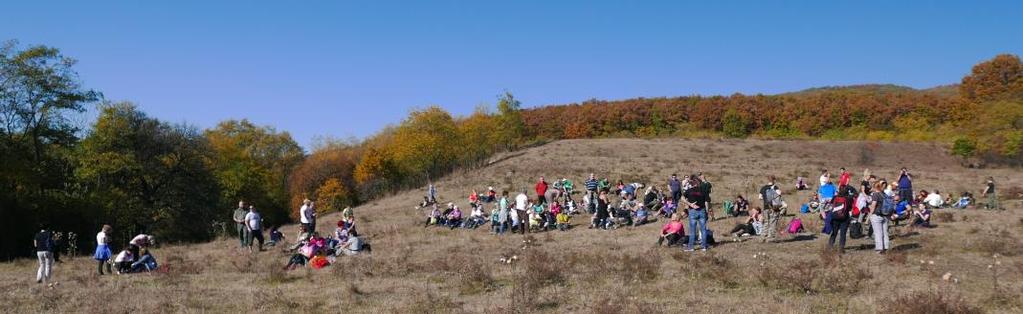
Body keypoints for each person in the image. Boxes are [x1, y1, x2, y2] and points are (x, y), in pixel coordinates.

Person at [683, 176, 710, 251]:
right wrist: (707, 212)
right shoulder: (704, 190)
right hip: (702, 210)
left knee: (692, 230)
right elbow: (706, 202)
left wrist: (690, 204)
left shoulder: (689, 190)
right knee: (703, 230)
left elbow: (682, 198)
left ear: (692, 183)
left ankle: (691, 247)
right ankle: (704, 247)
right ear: (699, 183)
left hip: (692, 211)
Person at [827, 185, 853, 253]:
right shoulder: (849, 198)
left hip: (835, 217)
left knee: (834, 232)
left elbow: (831, 204)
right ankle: (841, 248)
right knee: (843, 233)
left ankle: (830, 246)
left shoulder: (835, 197)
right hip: (845, 218)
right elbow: (850, 208)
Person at [869, 181, 892, 253]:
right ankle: (886, 247)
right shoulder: (885, 194)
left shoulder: (875, 194)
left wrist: (869, 216)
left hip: (877, 215)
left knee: (878, 233)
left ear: (876, 186)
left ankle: (879, 249)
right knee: (885, 232)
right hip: (886, 216)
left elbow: (873, 206)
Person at [759, 177, 782, 242]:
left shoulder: (763, 188)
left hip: (765, 207)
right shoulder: (775, 187)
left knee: (766, 222)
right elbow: (779, 194)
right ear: (774, 180)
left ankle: (762, 237)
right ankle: (770, 238)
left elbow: (760, 197)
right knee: (773, 222)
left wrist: (766, 199)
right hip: (773, 208)